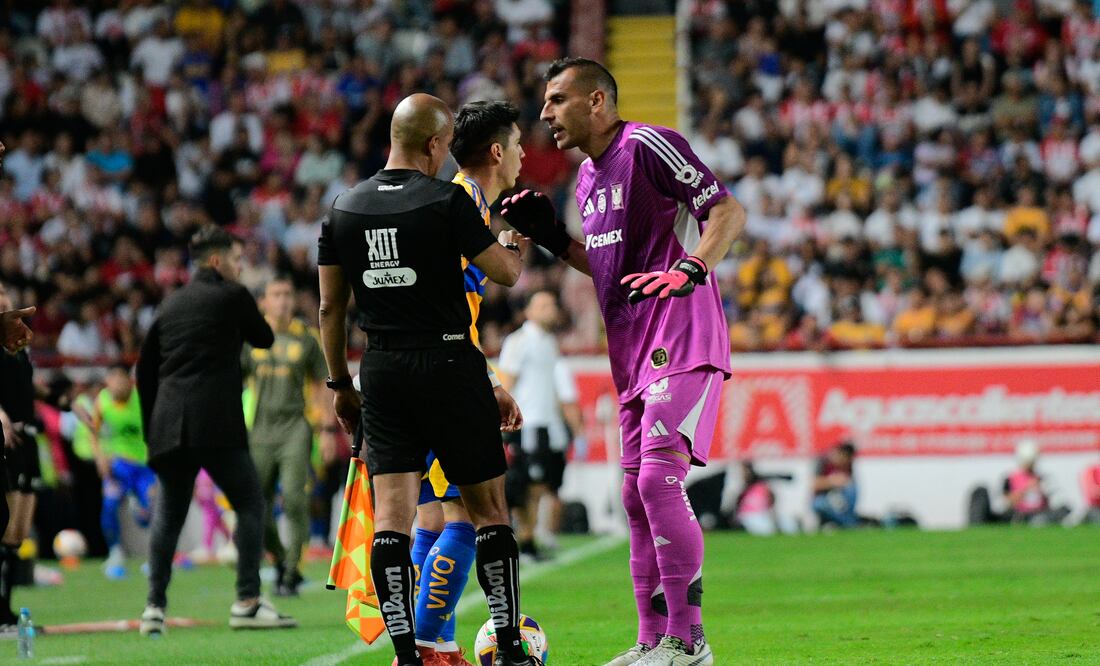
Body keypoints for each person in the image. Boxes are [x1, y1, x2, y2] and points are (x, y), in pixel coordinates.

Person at [502, 58, 745, 665]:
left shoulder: (647, 145)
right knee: (636, 494)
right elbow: (605, 267)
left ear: (597, 102)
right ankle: (650, 642)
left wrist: (691, 269)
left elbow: (726, 212)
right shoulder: (585, 180)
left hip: (683, 335)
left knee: (659, 480)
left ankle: (689, 642)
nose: (545, 113)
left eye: (557, 99)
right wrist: (556, 241)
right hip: (632, 353)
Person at [316, 93, 536, 666]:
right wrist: (516, 240)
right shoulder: (448, 201)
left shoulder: (343, 207)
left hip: (381, 369)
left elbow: (329, 309)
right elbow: (505, 274)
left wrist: (341, 386)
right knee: (487, 511)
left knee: (395, 518)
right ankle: (507, 647)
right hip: (448, 362)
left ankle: (408, 654)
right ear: (436, 144)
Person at [408, 99, 527, 663]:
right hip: (449, 373)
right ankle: (426, 646)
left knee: (432, 514)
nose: (527, 154)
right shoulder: (461, 204)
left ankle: (442, 641)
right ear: (498, 151)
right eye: (520, 144)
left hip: (422, 372)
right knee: (466, 513)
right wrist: (486, 377)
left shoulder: (460, 201)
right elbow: (449, 310)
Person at [136, 226, 295, 635]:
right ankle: (247, 600)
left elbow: (144, 369)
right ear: (216, 261)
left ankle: (154, 606)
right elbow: (264, 337)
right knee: (250, 502)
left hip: (168, 424)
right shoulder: (233, 296)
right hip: (217, 424)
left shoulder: (169, 305)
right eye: (237, 260)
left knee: (168, 514)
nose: (240, 268)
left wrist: (152, 427)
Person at [241, 276, 331, 596]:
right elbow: (234, 381)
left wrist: (326, 428)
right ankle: (279, 558)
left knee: (295, 498)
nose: (282, 300)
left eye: (287, 294)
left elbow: (322, 382)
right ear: (263, 301)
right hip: (260, 430)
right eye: (276, 295)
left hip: (296, 427)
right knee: (256, 504)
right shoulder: (250, 338)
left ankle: (292, 571)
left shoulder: (306, 339)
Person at [498, 289, 584, 560]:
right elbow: (506, 382)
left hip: (546, 424)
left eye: (552, 305)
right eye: (543, 305)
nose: (550, 310)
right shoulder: (519, 341)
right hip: (527, 424)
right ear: (530, 312)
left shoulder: (548, 342)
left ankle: (529, 539)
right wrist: (501, 422)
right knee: (526, 485)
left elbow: (556, 389)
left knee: (542, 485)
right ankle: (524, 541)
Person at [73, 363, 156, 580]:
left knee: (148, 515)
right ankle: (115, 552)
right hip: (117, 464)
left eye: (117, 380)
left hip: (143, 465)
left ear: (127, 380)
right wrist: (100, 457)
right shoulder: (104, 400)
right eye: (110, 382)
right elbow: (93, 429)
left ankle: (154, 555)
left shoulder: (143, 398)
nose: (113, 386)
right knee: (109, 506)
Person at [0, 284, 38, 633]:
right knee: (7, 528)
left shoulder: (18, 348)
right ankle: (1, 614)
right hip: (7, 440)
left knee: (18, 532)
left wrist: (67, 404)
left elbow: (30, 388)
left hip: (27, 437)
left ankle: (8, 614)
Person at [812, 442, 859, 528]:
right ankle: (849, 523)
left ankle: (846, 522)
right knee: (820, 504)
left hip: (841, 499)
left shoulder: (847, 465)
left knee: (852, 489)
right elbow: (813, 485)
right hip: (823, 499)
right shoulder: (823, 462)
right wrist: (832, 481)